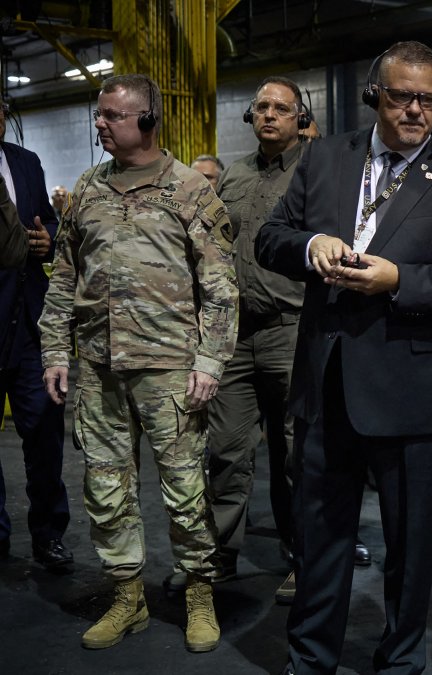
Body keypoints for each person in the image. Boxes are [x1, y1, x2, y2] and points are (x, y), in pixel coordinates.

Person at [254, 41, 432, 673]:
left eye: (428, 99)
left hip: (414, 395)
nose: (417, 110)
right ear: (375, 96)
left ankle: (399, 662)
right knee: (321, 542)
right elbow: (269, 237)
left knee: (411, 550)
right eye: (402, 96)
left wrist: (402, 281)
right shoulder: (324, 158)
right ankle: (311, 659)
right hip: (326, 384)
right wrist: (309, 243)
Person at [38, 73, 237, 653]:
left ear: (147, 121)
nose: (99, 124)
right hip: (99, 368)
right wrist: (55, 350)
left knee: (184, 488)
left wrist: (210, 361)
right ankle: (128, 597)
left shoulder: (190, 192)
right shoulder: (89, 190)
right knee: (105, 487)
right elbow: (65, 279)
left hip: (171, 369)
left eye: (110, 116)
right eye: (99, 115)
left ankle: (200, 591)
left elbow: (221, 288)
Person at [165, 76, 310, 602]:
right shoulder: (234, 176)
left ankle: (305, 559)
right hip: (235, 334)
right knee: (226, 450)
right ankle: (219, 554)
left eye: (281, 108)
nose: (269, 115)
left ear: (300, 118)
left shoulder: (313, 172)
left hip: (292, 330)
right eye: (262, 107)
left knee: (296, 451)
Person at [0, 102, 71, 570]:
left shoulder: (25, 162)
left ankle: (48, 534)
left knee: (45, 436)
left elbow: (47, 220)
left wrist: (50, 236)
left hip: (30, 325)